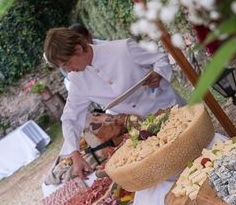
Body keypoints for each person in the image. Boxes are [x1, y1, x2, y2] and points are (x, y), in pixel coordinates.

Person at [43, 27, 184, 178]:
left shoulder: (122, 49)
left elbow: (160, 59)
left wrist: (158, 75)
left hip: (171, 110)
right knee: (173, 174)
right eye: (64, 67)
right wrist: (75, 154)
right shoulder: (77, 80)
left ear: (78, 49)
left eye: (68, 63)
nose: (69, 70)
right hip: (143, 131)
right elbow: (70, 118)